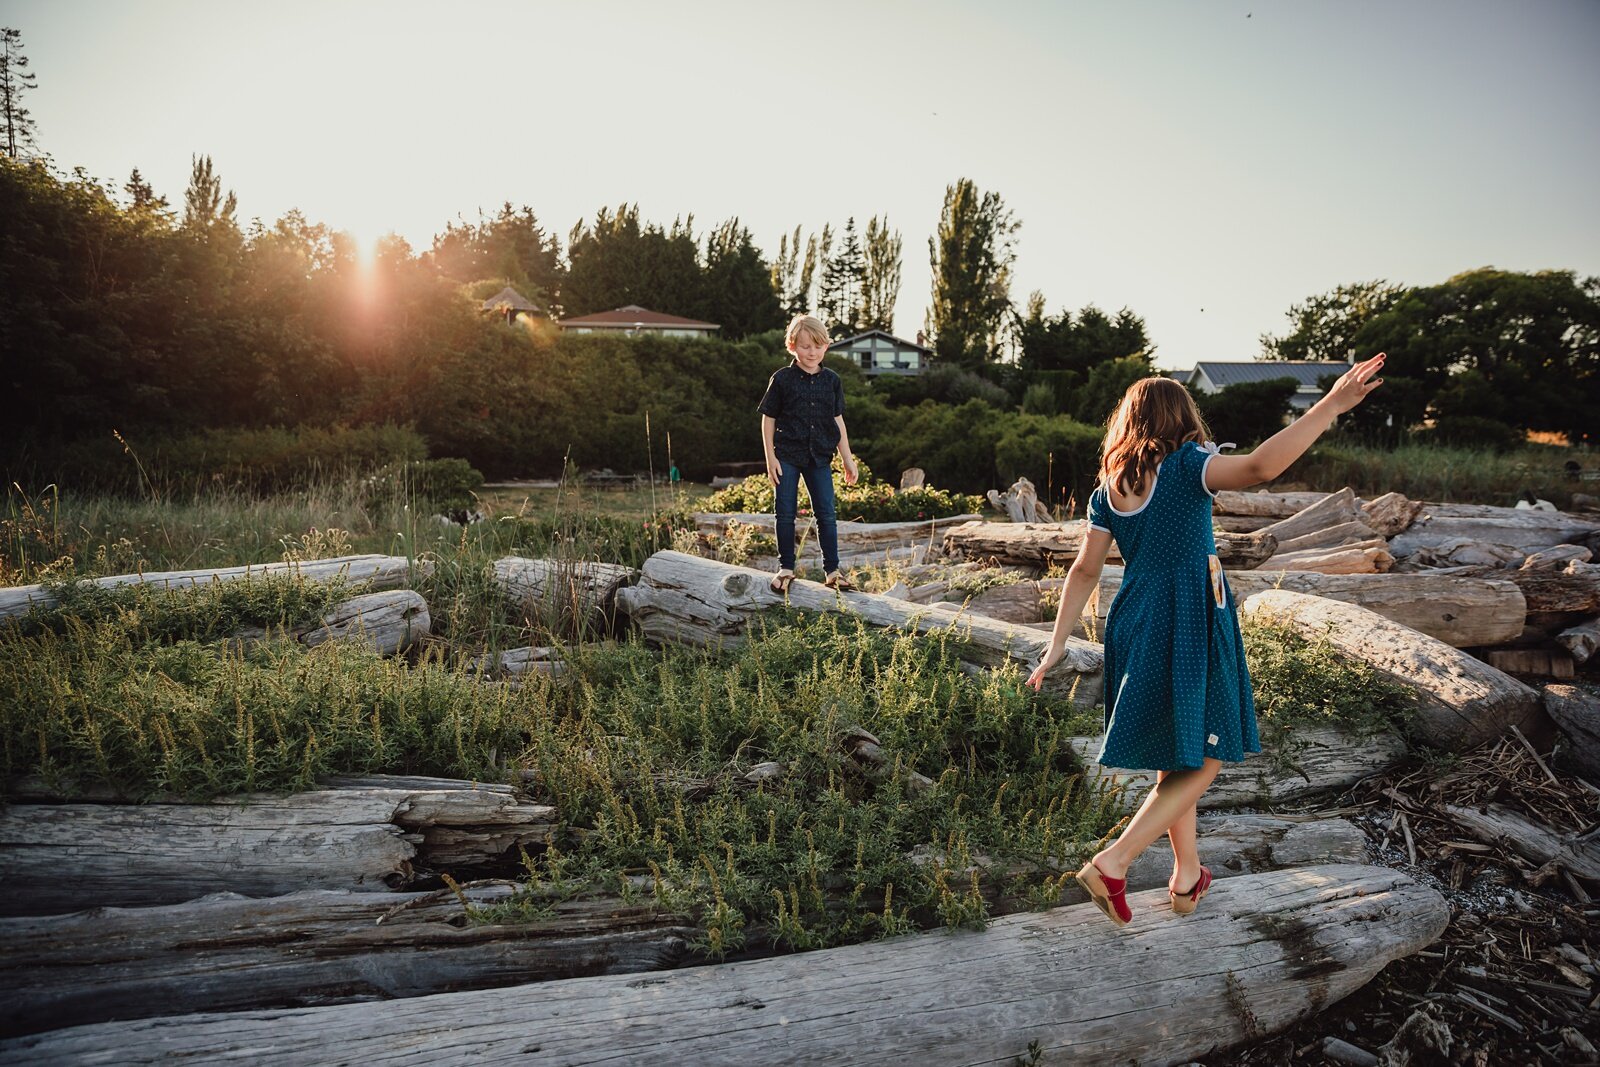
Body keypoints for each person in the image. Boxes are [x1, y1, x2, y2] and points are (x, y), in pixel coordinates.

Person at [1026, 352, 1387, 925]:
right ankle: (1114, 862)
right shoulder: (1187, 465)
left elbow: (1084, 571)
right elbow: (1262, 467)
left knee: (1180, 751)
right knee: (1209, 757)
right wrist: (1331, 404)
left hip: (1136, 617)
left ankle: (1187, 877)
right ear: (1181, 419)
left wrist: (1056, 644)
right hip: (1188, 616)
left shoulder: (1107, 490)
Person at [758, 314, 860, 593]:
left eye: (817, 345)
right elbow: (768, 418)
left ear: (826, 346)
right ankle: (786, 568)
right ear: (792, 346)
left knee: (826, 513)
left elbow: (837, 419)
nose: (811, 352)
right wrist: (770, 458)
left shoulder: (832, 381)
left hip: (820, 458)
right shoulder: (782, 379)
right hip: (787, 456)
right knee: (785, 513)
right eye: (804, 346)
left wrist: (847, 458)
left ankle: (833, 571)